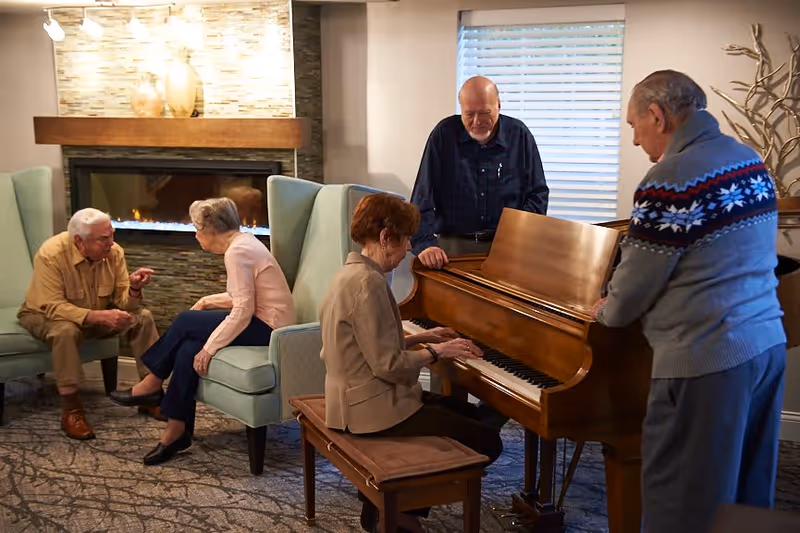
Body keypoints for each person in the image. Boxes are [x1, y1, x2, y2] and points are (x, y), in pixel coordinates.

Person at [592, 70, 786, 533]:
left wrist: (609, 308)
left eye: (634, 127)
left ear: (657, 116)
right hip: (766, 346)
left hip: (705, 360)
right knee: (746, 493)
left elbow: (634, 286)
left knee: (680, 499)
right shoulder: (747, 158)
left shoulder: (670, 178)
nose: (636, 141)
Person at [319, 193, 503, 533]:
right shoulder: (368, 284)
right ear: (386, 237)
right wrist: (441, 352)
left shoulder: (348, 275)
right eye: (405, 241)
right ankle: (397, 509)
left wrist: (422, 338)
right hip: (369, 409)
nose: (408, 250)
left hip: (352, 395)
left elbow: (363, 345)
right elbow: (389, 366)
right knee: (488, 441)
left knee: (468, 415)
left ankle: (386, 501)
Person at [109, 198, 296, 465]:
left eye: (197, 228)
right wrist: (208, 300)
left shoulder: (237, 252)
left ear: (210, 228)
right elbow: (244, 297)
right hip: (264, 318)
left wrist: (210, 349)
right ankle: (176, 431)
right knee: (187, 348)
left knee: (186, 322)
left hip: (270, 328)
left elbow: (243, 310)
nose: (196, 235)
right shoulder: (244, 242)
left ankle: (151, 383)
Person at [17, 208, 160, 440]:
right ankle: (71, 410)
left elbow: (125, 302)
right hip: (43, 314)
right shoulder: (51, 254)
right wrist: (100, 317)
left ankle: (150, 394)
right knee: (64, 330)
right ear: (79, 242)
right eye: (104, 238)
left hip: (94, 312)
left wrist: (133, 288)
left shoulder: (114, 252)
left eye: (112, 234)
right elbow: (52, 305)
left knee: (142, 318)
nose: (111, 243)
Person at [410, 75, 549, 268]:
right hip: (452, 249)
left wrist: (518, 234)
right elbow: (423, 195)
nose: (477, 121)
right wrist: (424, 244)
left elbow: (538, 194)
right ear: (461, 109)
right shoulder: (443, 135)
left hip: (508, 246)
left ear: (498, 105)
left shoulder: (519, 135)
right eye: (469, 114)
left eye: (484, 113)